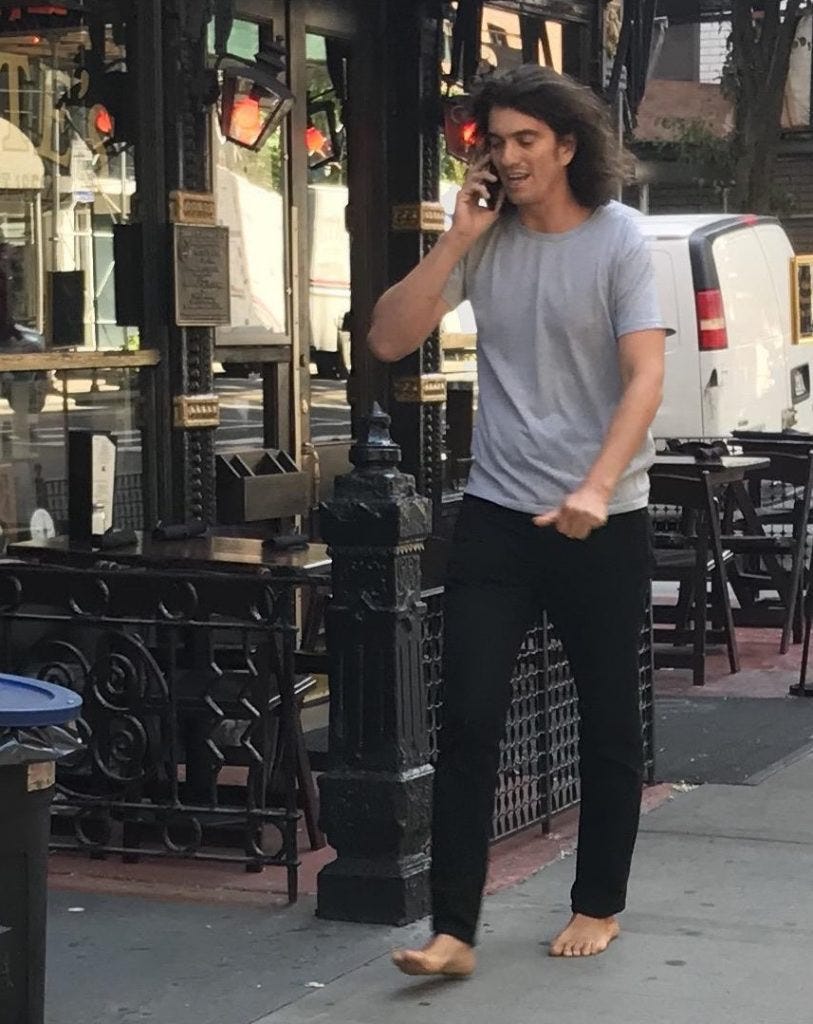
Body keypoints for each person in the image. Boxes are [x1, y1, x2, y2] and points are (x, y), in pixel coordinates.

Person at [367, 64, 666, 976]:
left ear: (566, 146)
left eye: (524, 140)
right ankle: (454, 929)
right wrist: (456, 240)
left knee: (609, 720)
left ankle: (597, 903)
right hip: (498, 514)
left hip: (602, 518)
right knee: (467, 717)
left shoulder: (620, 240)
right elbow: (385, 338)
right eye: (495, 141)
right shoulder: (485, 238)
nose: (507, 156)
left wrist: (595, 484)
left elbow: (644, 376)